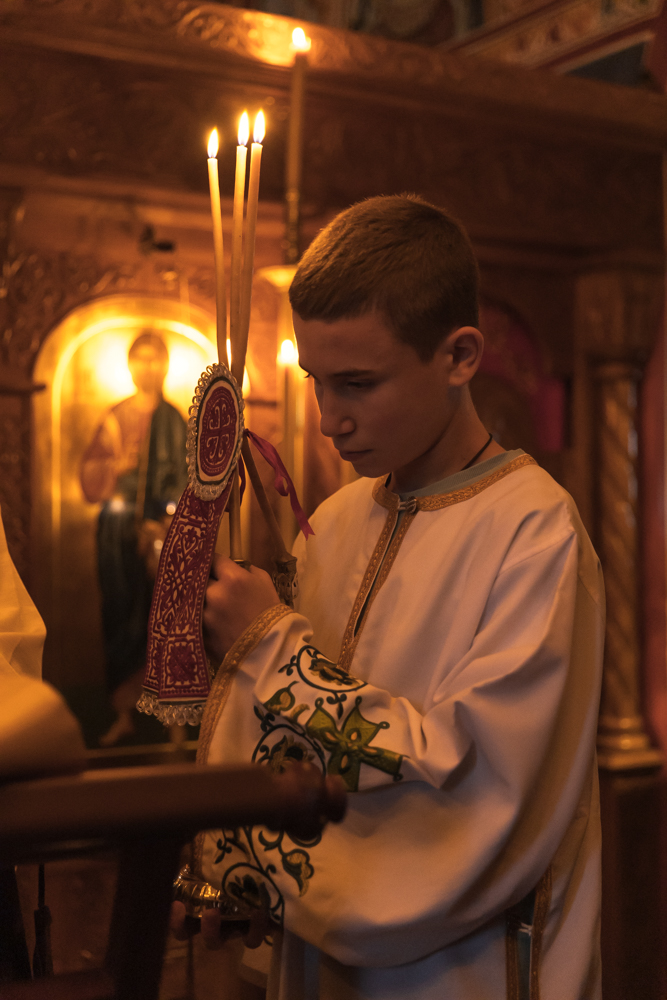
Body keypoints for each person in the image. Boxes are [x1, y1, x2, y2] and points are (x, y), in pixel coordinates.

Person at [184, 196, 604, 999]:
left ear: (459, 356)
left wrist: (269, 651)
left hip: (457, 969)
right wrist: (245, 871)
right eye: (315, 381)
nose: (328, 421)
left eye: (357, 384)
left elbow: (473, 778)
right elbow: (291, 750)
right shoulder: (335, 522)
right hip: (320, 956)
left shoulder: (533, 531)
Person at [81, 332, 187, 746]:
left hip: (161, 533)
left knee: (166, 619)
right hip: (116, 536)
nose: (147, 367)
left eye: (154, 358)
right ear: (129, 365)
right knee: (120, 615)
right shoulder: (116, 416)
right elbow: (90, 477)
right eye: (139, 359)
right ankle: (124, 712)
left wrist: (163, 522)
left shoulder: (174, 420)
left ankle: (173, 715)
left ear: (165, 366)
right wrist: (116, 465)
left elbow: (184, 479)